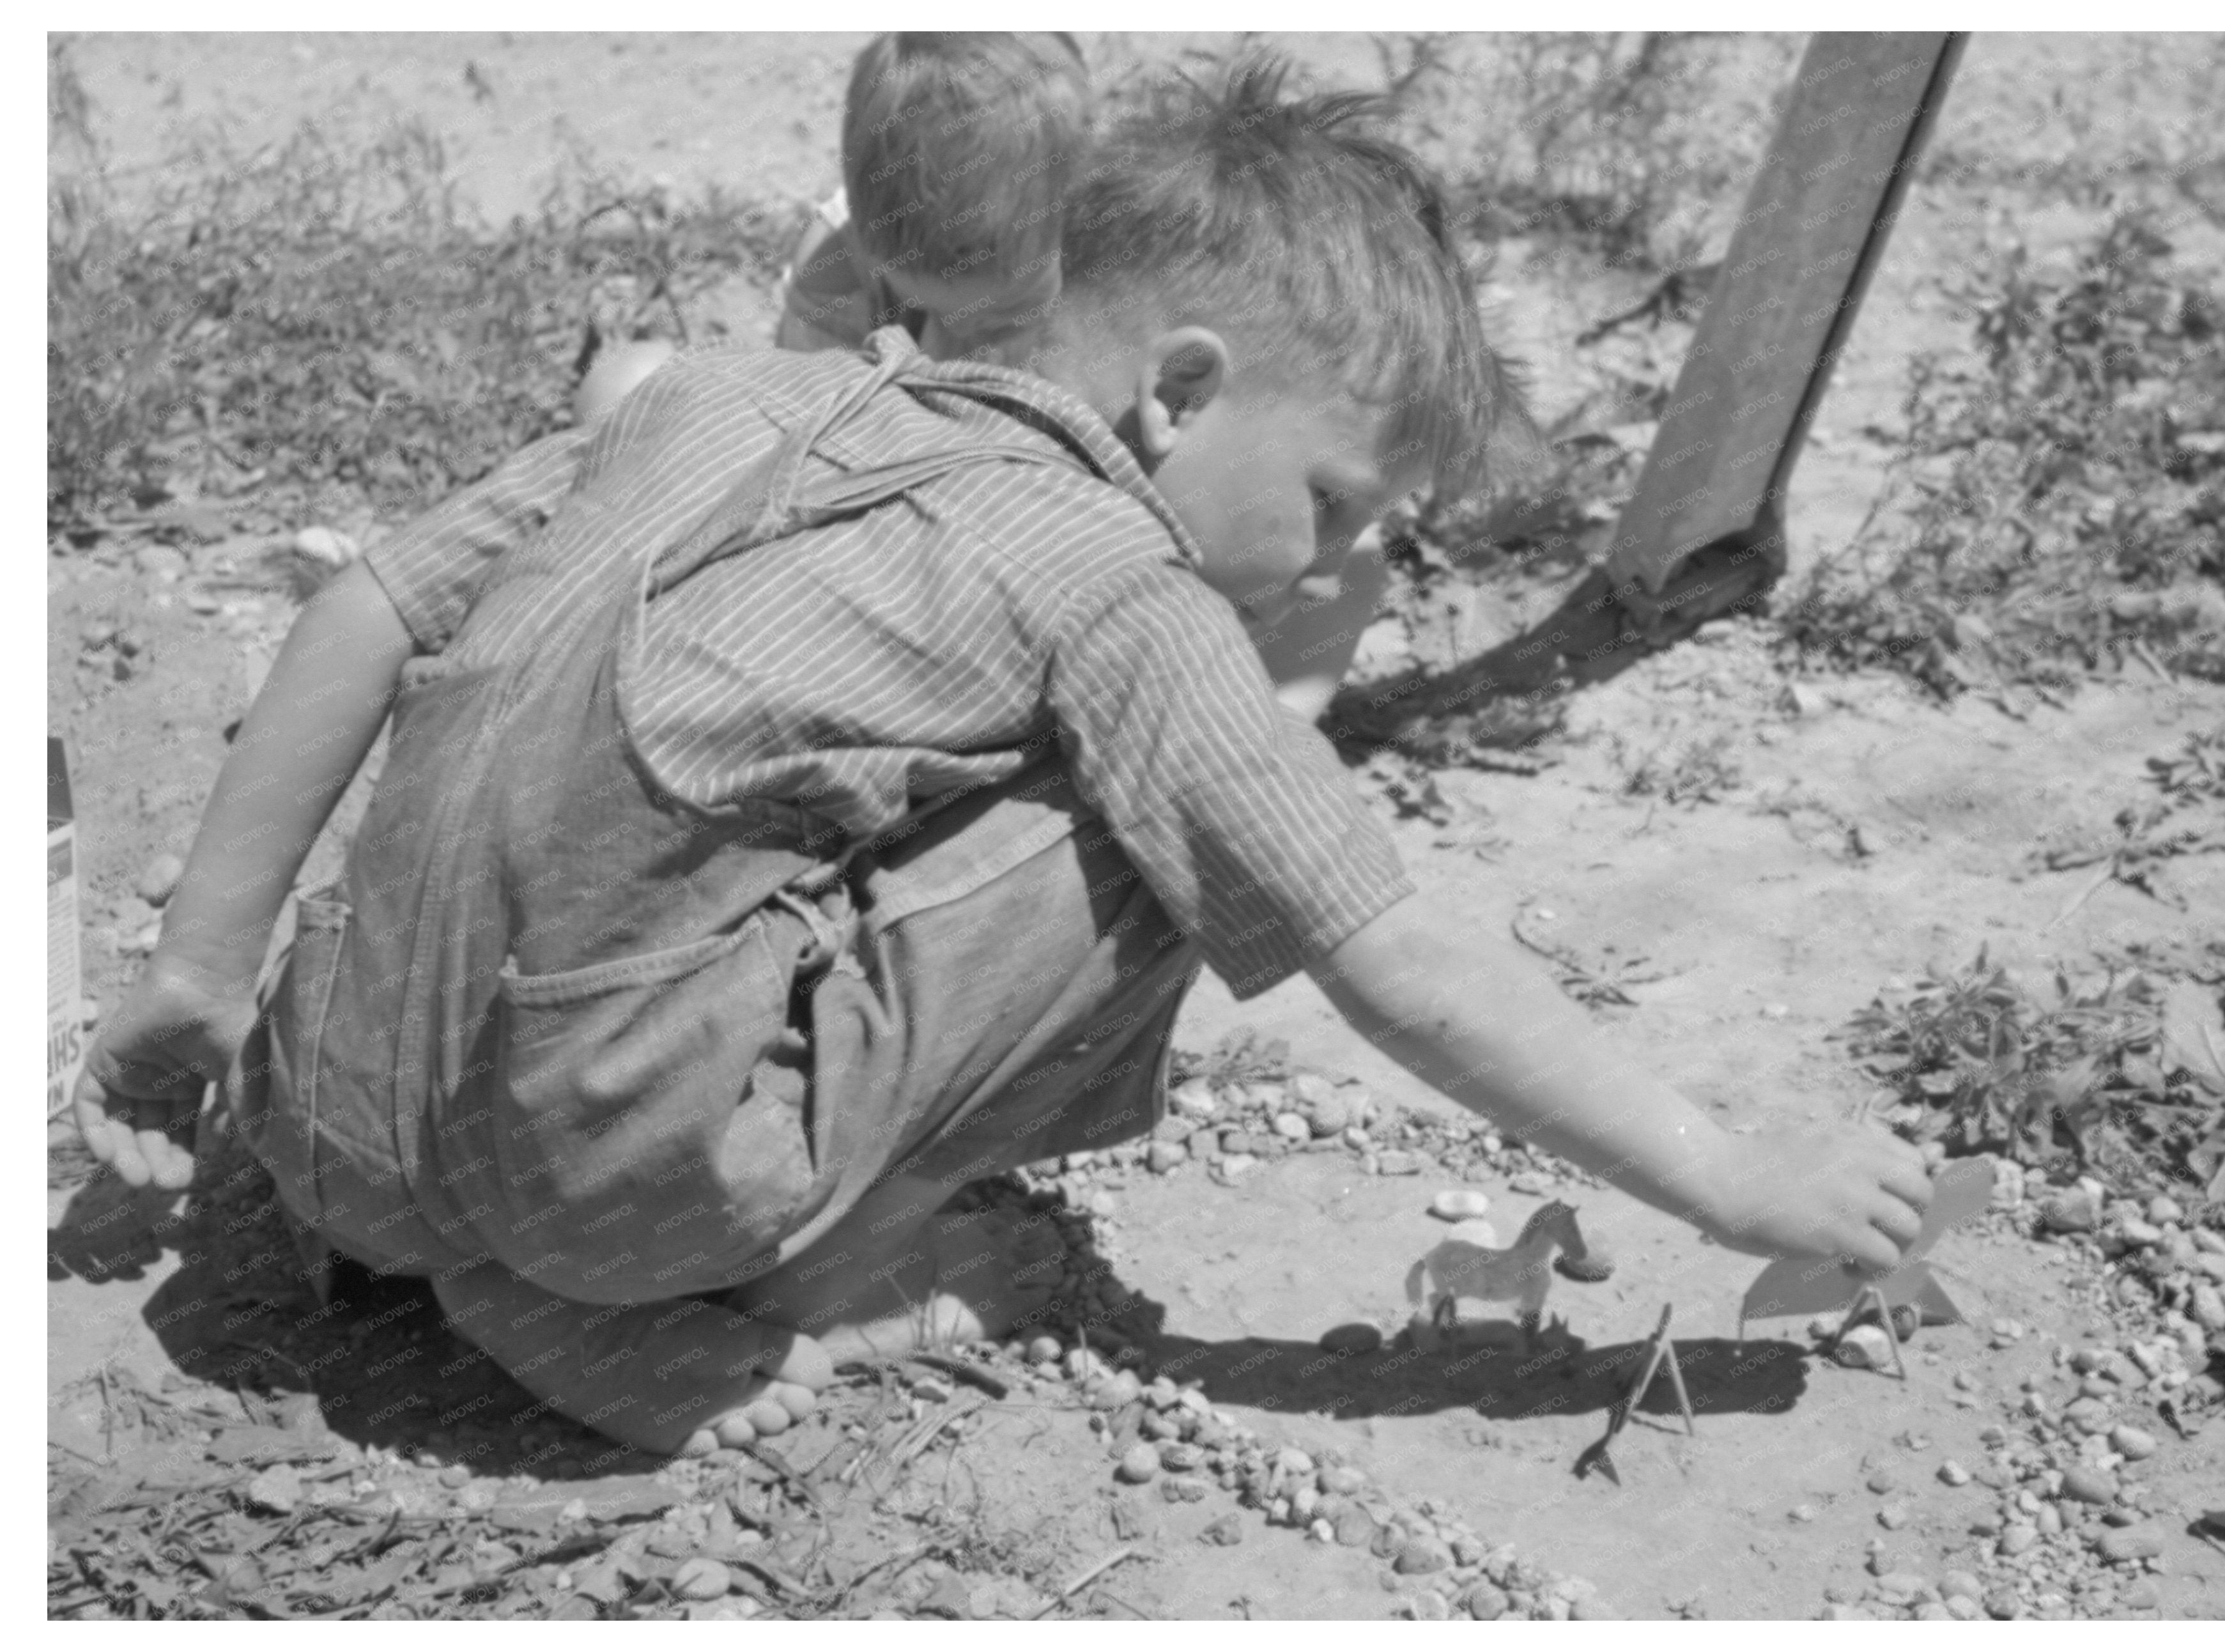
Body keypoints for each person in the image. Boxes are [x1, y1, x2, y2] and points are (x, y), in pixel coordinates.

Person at [75, 58, 1931, 1459]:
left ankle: (464, 1220)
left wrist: (201, 970)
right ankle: (713, 1281)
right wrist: (1731, 1177)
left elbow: (368, 611)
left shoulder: (722, 392)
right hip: (594, 1202)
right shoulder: (1109, 577)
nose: (1351, 564)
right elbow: (1397, 957)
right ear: (1181, 393)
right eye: (1343, 504)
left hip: (316, 1113)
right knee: (1192, 825)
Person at [574, 32, 1089, 424]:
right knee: (625, 387)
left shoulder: (1094, 245)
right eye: (931, 308)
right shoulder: (837, 266)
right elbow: (813, 420)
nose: (959, 330)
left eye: (1000, 314)